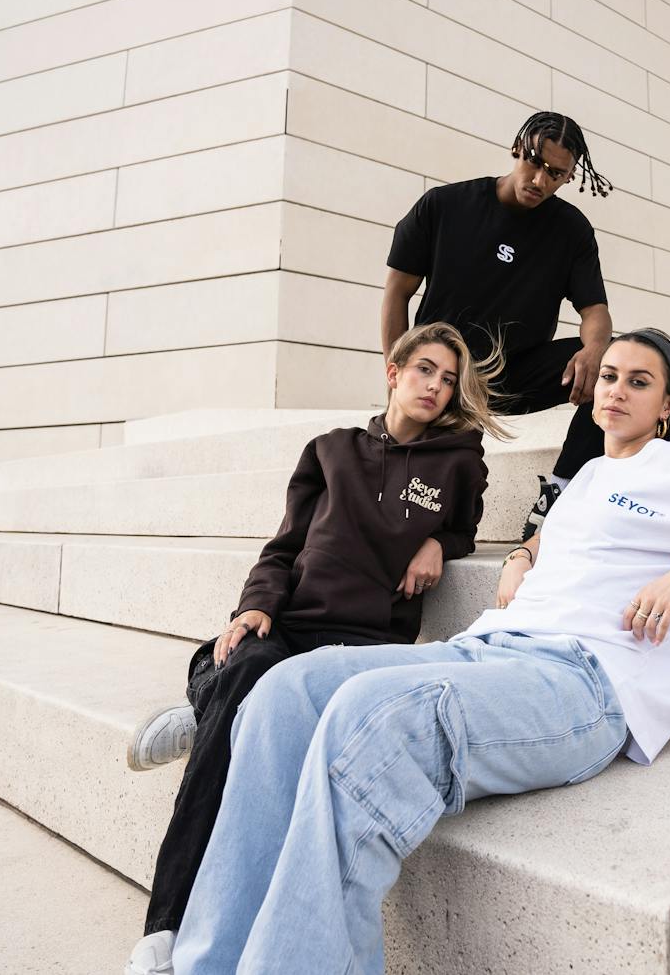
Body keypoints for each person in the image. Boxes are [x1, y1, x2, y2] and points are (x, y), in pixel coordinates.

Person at [169, 330, 670, 974]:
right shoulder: (591, 474)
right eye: (609, 375)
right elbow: (560, 542)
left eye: (639, 382)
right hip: (489, 647)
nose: (616, 391)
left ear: (668, 406)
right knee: (284, 692)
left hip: (582, 681)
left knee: (372, 718)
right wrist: (521, 554)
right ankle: (206, 961)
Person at [122, 323, 502, 975]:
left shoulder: (459, 460)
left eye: (448, 378)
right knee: (245, 669)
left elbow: (465, 526)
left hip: (359, 645)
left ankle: (207, 708)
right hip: (288, 624)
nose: (436, 386)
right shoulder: (330, 451)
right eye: (425, 370)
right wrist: (256, 605)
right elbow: (282, 548)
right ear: (394, 370)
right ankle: (165, 928)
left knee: (242, 697)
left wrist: (443, 542)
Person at [382, 111, 614, 541]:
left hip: (513, 374)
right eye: (534, 163)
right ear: (516, 149)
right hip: (445, 372)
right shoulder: (445, 205)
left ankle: (560, 494)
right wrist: (400, 372)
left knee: (615, 362)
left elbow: (594, 310)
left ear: (568, 177)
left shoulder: (571, 230)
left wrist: (595, 349)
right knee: (444, 481)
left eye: (556, 174)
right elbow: (397, 292)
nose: (540, 180)